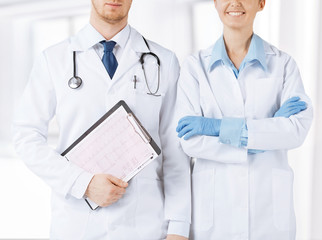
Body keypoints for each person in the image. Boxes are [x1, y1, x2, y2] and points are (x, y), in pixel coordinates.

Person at [12, 0, 190, 239]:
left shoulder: (163, 61)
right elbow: (26, 136)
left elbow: (175, 150)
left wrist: (178, 228)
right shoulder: (54, 59)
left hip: (144, 224)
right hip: (77, 225)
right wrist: (81, 183)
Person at [175, 0, 313, 239]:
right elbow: (190, 141)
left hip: (268, 217)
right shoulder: (194, 67)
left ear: (261, 3)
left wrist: (217, 128)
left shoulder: (283, 64)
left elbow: (296, 130)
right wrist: (265, 133)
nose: (235, 3)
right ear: (216, 3)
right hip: (214, 216)